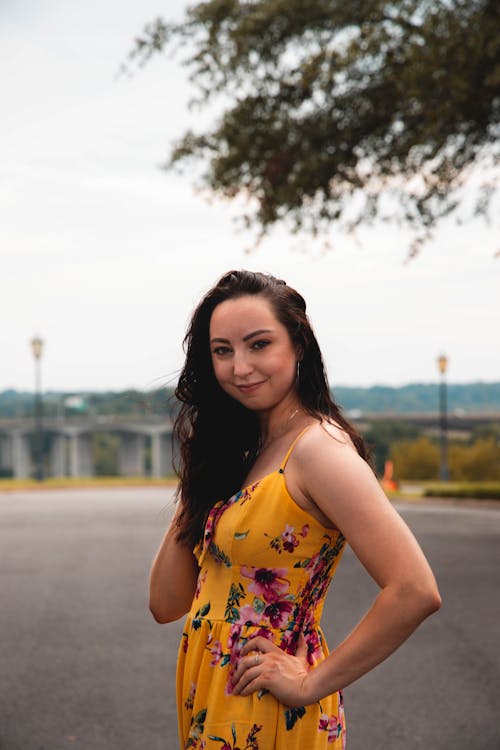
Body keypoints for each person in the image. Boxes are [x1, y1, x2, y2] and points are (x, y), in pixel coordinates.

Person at [149, 270, 441, 750]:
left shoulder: (317, 451)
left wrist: (311, 683)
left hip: (268, 705)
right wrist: (202, 473)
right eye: (222, 351)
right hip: (213, 697)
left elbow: (415, 590)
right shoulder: (244, 453)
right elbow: (166, 603)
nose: (240, 367)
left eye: (259, 344)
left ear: (299, 345)